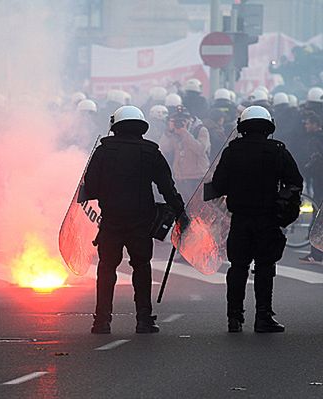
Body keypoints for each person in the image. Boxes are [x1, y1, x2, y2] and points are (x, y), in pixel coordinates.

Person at [84, 106, 185, 334]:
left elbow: (88, 187)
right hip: (141, 221)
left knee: (107, 267)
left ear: (115, 126)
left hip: (111, 220)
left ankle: (101, 322)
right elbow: (167, 187)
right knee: (141, 267)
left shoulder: (103, 152)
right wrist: (180, 211)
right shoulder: (151, 152)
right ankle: (144, 320)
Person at [210, 106, 303, 333]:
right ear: (268, 126)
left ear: (242, 126)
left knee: (237, 267)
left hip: (240, 219)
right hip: (268, 218)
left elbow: (217, 185)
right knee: (265, 267)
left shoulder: (232, 151)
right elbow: (295, 182)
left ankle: (234, 318)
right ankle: (263, 317)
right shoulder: (277, 150)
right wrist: (284, 208)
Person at [159, 106, 210, 201]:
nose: (180, 123)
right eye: (177, 120)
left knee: (196, 206)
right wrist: (169, 132)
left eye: (183, 119)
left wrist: (185, 133)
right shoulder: (174, 132)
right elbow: (164, 148)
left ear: (190, 119)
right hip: (180, 177)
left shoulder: (200, 130)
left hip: (197, 177)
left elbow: (200, 149)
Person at [299, 113, 323, 264]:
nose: (306, 126)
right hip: (319, 181)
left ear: (315, 124)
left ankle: (316, 253)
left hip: (319, 182)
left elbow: (314, 160)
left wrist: (305, 170)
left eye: (308, 123)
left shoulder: (315, 139)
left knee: (318, 218)